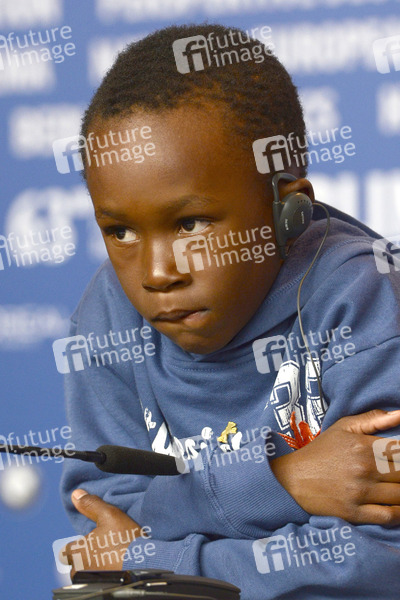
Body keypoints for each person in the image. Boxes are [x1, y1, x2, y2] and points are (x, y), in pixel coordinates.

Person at [59, 23, 400, 599]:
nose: (157, 273)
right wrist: (283, 482)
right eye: (120, 231)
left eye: (190, 224)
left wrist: (154, 558)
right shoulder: (107, 318)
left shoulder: (363, 300)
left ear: (287, 211)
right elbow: (103, 531)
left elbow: (377, 563)